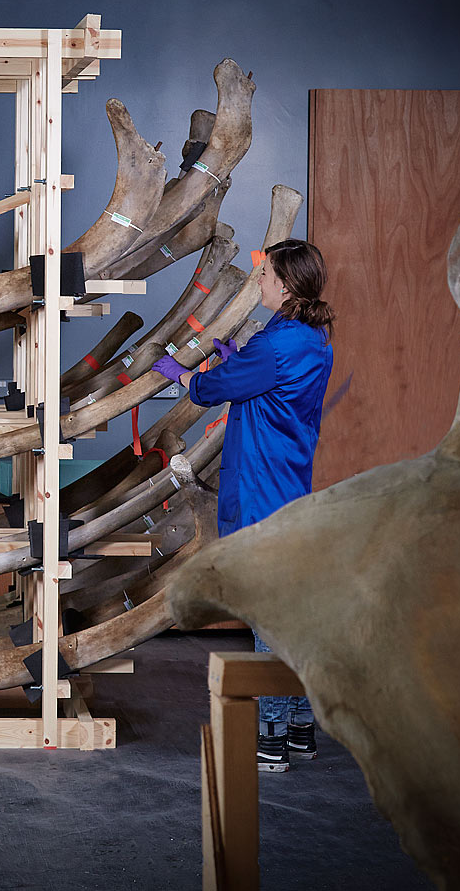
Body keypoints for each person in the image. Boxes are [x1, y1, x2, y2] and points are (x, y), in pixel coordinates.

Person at [151, 238, 335, 772]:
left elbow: (210, 390)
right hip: (289, 489)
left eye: (265, 275)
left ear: (286, 285)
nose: (258, 282)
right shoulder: (311, 337)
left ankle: (271, 738)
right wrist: (240, 361)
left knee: (265, 617)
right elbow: (266, 386)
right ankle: (300, 727)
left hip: (260, 492)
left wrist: (181, 373)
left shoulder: (274, 345)